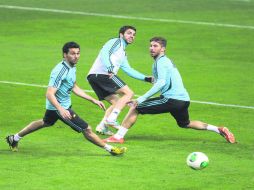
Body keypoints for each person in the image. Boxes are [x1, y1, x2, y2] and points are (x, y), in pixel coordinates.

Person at [103, 37, 236, 144]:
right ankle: (219, 129)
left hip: (171, 99)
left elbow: (161, 82)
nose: (151, 48)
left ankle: (118, 137)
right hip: (184, 100)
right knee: (185, 123)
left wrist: (140, 99)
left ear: (163, 49)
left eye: (155, 46)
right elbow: (161, 80)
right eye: (150, 46)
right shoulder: (163, 61)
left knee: (136, 108)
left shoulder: (161, 62)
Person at [6, 41, 127, 156]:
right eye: (73, 53)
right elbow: (49, 93)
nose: (76, 56)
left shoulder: (72, 66)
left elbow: (73, 86)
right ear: (65, 55)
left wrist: (93, 100)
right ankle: (111, 149)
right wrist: (61, 109)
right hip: (60, 107)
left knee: (45, 122)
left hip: (60, 106)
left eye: (78, 53)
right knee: (87, 129)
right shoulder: (60, 71)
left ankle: (14, 138)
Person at [87, 25, 153, 135]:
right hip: (103, 74)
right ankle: (112, 119)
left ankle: (102, 126)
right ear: (121, 34)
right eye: (129, 33)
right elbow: (105, 53)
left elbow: (128, 69)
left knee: (117, 102)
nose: (132, 36)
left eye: (133, 34)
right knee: (129, 93)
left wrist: (145, 78)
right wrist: (109, 67)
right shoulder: (116, 41)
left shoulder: (123, 52)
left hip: (94, 77)